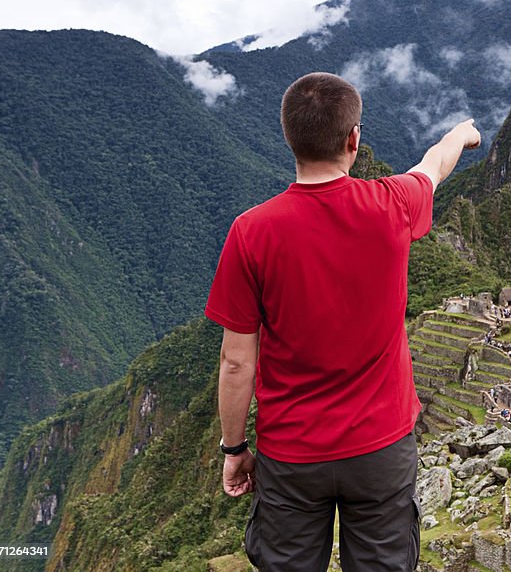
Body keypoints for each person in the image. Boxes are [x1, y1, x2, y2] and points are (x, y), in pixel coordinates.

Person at [205, 72, 480, 572]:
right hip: (382, 447)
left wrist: (235, 447)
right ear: (354, 140)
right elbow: (433, 165)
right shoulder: (392, 205)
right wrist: (462, 133)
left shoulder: (251, 232)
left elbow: (236, 362)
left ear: (289, 138)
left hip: (292, 454)